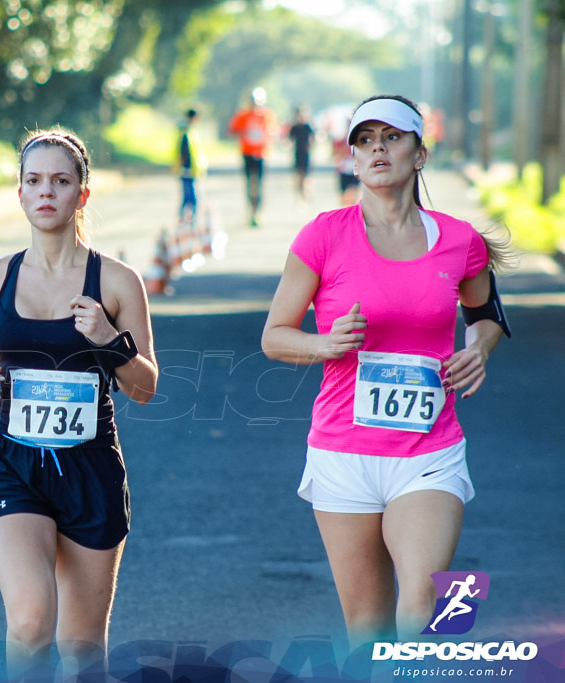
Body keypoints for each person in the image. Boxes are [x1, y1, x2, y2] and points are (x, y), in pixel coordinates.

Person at [261, 94, 510, 651]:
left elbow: (486, 315)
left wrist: (479, 350)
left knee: (421, 602)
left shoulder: (458, 241)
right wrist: (326, 345)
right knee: (368, 631)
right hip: (342, 454)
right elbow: (274, 336)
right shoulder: (324, 236)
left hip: (428, 451)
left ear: (419, 154)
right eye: (365, 140)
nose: (377, 148)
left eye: (392, 137)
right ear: (351, 159)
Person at [0, 128, 158, 681]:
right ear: (18, 194)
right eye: (34, 181)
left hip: (90, 467)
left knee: (83, 646)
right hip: (11, 463)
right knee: (30, 624)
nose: (46, 192)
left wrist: (111, 342)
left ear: (81, 195)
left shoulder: (116, 281)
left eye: (61, 181)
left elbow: (145, 386)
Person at [228, 87, 277, 227]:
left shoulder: (267, 115)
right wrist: (244, 132)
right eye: (253, 101)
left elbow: (273, 131)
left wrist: (268, 132)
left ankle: (258, 212)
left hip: (261, 154)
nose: (255, 104)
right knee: (250, 183)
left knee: (259, 184)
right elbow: (232, 130)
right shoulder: (243, 115)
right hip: (247, 153)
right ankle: (250, 210)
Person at [175, 108, 206, 223]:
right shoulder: (186, 133)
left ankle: (186, 219)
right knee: (191, 198)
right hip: (187, 170)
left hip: (190, 170)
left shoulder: (190, 131)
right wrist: (185, 168)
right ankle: (188, 220)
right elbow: (184, 152)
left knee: (188, 197)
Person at [288, 105, 315, 203]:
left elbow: (313, 138)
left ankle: (306, 193)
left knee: (306, 176)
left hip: (306, 154)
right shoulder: (294, 127)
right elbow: (290, 139)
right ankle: (300, 195)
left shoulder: (307, 127)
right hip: (297, 153)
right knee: (299, 175)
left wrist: (311, 146)